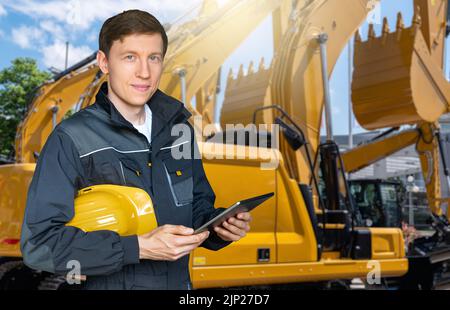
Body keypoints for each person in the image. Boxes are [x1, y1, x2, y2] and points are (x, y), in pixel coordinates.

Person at [20, 9, 252, 290]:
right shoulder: (72, 138)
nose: (145, 72)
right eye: (130, 57)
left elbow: (195, 209)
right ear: (104, 62)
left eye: (153, 58)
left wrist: (219, 228)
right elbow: (40, 245)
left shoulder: (179, 131)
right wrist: (139, 248)